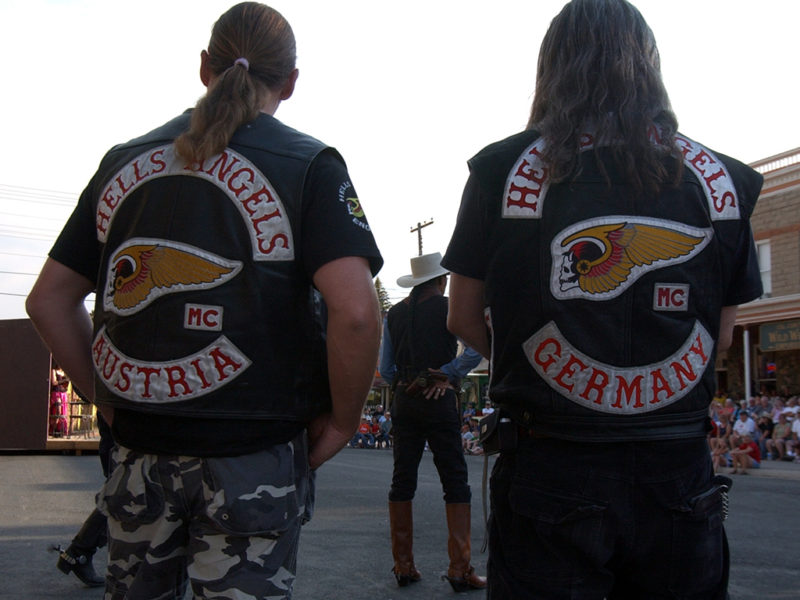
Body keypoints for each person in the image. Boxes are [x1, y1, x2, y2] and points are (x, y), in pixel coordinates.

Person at [26, 4, 382, 598]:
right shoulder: (310, 165)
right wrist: (344, 421)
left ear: (203, 67)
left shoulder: (123, 160)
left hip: (140, 452)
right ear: (291, 81)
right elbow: (357, 311)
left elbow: (48, 302)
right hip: (254, 457)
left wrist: (106, 400)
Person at [443, 1, 763, 597]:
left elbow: (461, 316)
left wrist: (528, 358)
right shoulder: (725, 183)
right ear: (650, 65)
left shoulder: (499, 169)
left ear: (553, 66)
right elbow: (718, 337)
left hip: (549, 460)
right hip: (678, 470)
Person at [378, 252, 485, 592]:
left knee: (402, 479)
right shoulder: (448, 307)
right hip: (438, 401)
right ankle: (459, 568)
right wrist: (446, 375)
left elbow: (387, 369)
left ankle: (404, 565)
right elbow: (474, 350)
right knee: (454, 479)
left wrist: (411, 382)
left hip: (405, 401)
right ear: (441, 281)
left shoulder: (395, 314)